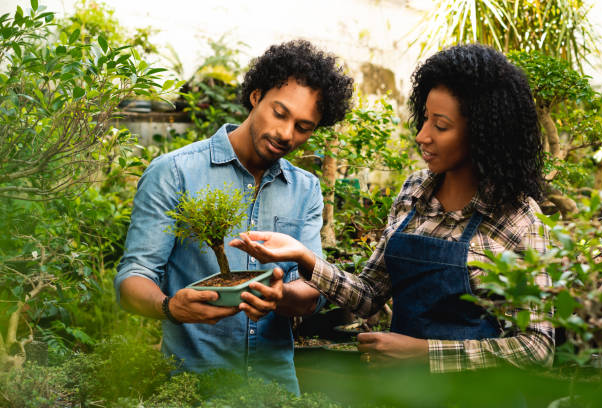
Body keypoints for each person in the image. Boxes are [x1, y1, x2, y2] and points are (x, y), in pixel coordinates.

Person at [230, 43, 555, 372]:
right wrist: (304, 256)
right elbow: (369, 295)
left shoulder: (518, 218)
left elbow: (537, 345)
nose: (422, 135)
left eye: (440, 126)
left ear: (484, 134)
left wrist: (427, 353)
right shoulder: (415, 193)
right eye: (425, 118)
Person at [114, 40, 353, 393]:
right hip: (190, 388)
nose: (286, 134)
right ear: (256, 96)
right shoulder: (174, 172)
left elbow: (312, 292)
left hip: (275, 391)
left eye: (303, 127)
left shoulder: (305, 189)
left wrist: (281, 297)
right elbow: (133, 278)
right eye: (280, 113)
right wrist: (170, 307)